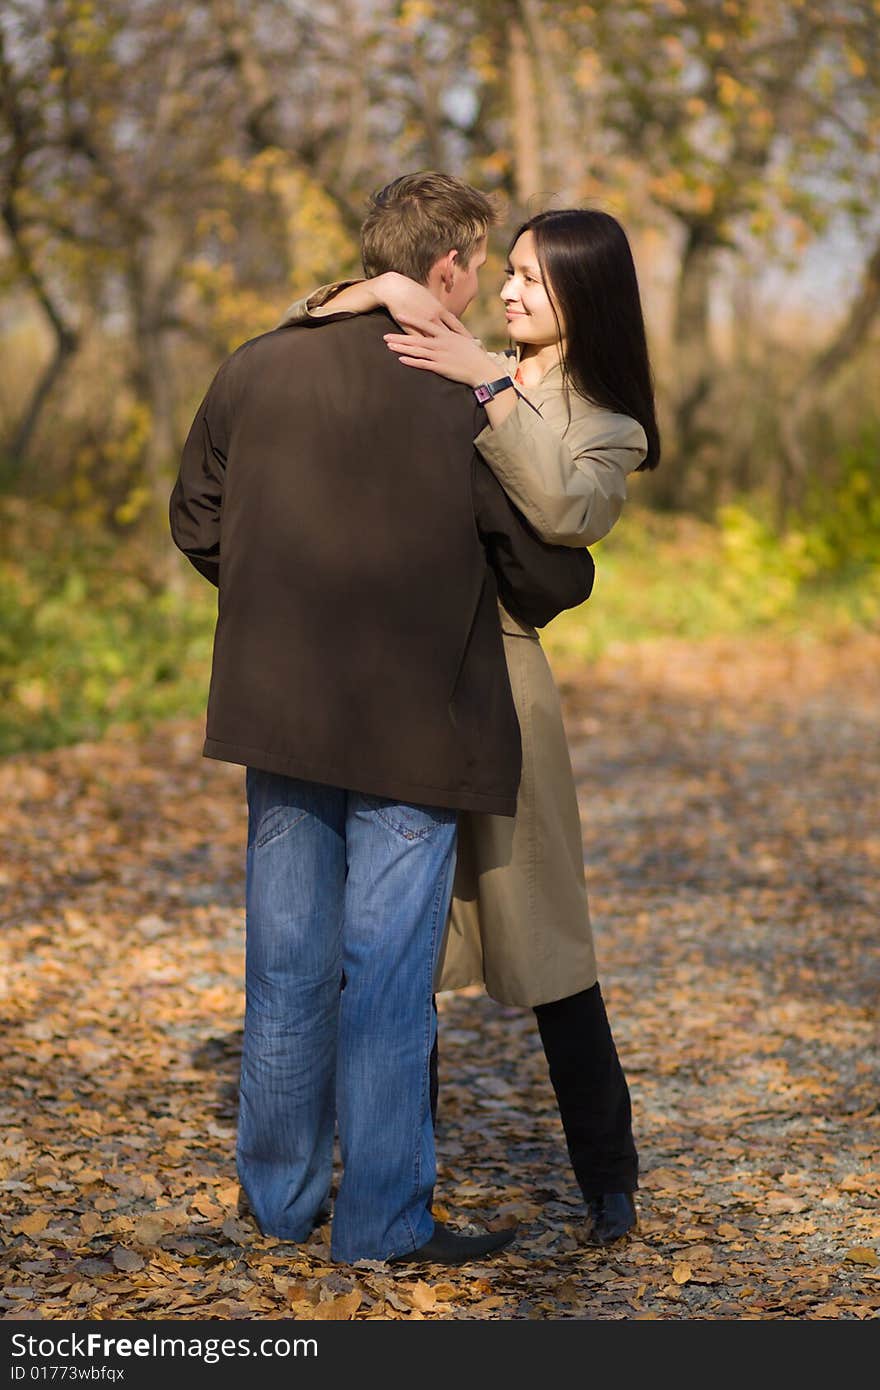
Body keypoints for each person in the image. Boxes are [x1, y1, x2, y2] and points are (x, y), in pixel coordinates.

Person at [168, 172, 596, 1268]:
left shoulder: (254, 365)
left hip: (278, 710)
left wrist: (269, 599)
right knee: (386, 981)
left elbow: (196, 517)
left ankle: (278, 1205)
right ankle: (382, 1226)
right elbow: (540, 570)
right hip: (418, 723)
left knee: (286, 968)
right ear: (446, 268)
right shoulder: (460, 396)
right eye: (479, 266)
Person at [276, 202, 661, 1246]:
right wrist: (381, 292)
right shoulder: (457, 350)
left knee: (548, 943)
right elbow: (309, 333)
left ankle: (607, 1174)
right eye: (510, 272)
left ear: (583, 294)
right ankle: (401, 1192)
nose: (508, 291)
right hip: (402, 675)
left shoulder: (605, 420)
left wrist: (487, 384)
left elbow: (567, 516)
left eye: (533, 278)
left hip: (505, 679)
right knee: (398, 947)